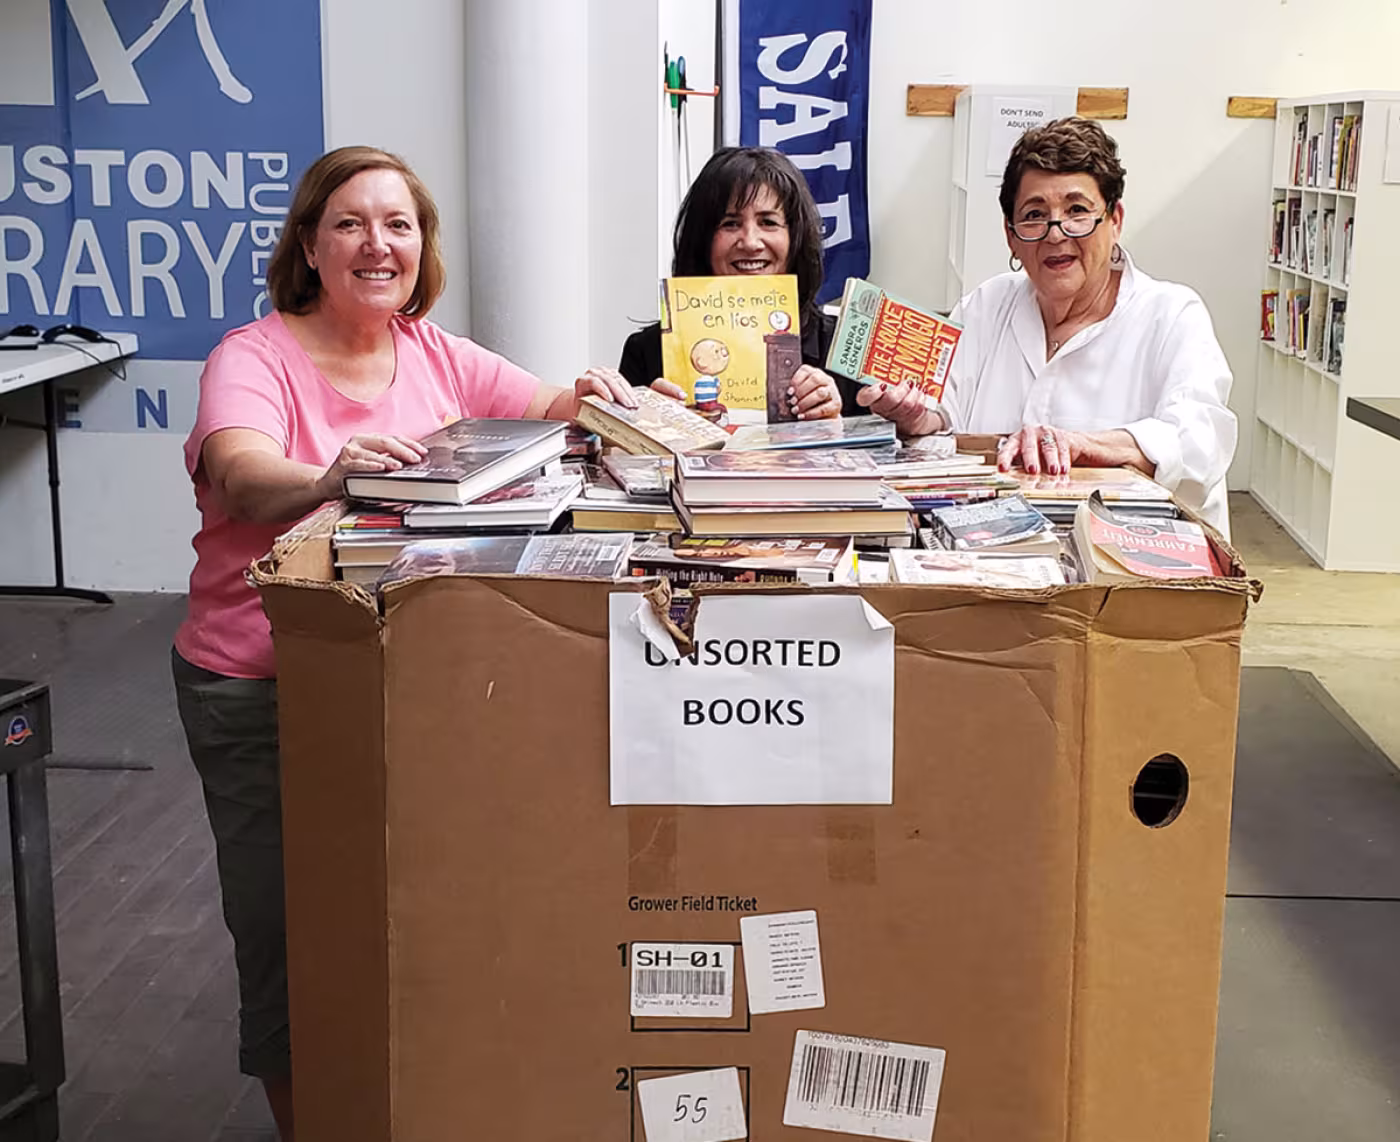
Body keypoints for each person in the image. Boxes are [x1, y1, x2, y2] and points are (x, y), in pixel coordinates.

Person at [170, 145, 638, 1141]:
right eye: (349, 222)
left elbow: (552, 406)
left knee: (414, 901)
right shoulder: (251, 357)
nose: (376, 244)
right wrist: (326, 475)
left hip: (411, 675)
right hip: (262, 683)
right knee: (287, 926)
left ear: (421, 247)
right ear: (309, 243)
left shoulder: (434, 353)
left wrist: (591, 395)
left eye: (399, 224)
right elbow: (242, 473)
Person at [861, 118, 1237, 535]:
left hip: (1129, 571)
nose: (1056, 233)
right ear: (1011, 236)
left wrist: (1086, 446)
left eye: (1077, 211)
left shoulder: (1170, 314)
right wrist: (914, 418)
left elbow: (1200, 442)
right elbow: (940, 416)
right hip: (992, 557)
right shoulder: (986, 306)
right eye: (1035, 215)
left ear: (1115, 220)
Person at [619, 146, 859, 420]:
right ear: (702, 239)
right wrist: (645, 427)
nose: (750, 242)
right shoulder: (648, 352)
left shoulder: (844, 348)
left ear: (796, 238)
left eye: (768, 222)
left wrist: (836, 425)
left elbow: (904, 437)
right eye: (730, 223)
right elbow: (612, 454)